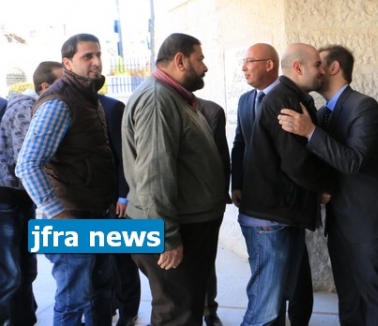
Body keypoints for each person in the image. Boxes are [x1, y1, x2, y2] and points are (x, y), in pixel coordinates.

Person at [278, 45, 378, 326]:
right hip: (340, 221)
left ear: (334, 68)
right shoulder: (321, 112)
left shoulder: (364, 106)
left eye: (318, 63)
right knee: (349, 299)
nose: (314, 69)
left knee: (376, 297)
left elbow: (354, 161)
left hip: (372, 220)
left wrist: (310, 132)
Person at [122, 33, 226, 325]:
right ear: (180, 60)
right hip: (174, 228)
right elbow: (154, 174)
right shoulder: (158, 100)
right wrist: (167, 237)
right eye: (200, 59)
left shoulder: (172, 97)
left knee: (181, 308)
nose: (205, 67)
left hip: (186, 225)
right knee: (177, 314)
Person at [16, 34, 116, 326]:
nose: (96, 62)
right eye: (87, 56)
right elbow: (27, 164)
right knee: (73, 301)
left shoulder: (87, 96)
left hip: (95, 213)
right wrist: (58, 214)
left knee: (100, 292)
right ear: (68, 63)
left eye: (98, 55)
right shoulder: (60, 101)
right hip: (72, 218)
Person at [239, 43, 333, 326]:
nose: (322, 70)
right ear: (298, 67)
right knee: (264, 310)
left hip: (279, 216)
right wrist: (325, 186)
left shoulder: (292, 97)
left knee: (275, 304)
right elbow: (296, 162)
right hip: (270, 220)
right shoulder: (284, 100)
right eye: (317, 64)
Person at [0, 61, 63, 326]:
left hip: (20, 200)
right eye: (62, 83)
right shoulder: (25, 109)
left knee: (25, 270)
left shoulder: (37, 107)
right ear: (45, 86)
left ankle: (24, 318)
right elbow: (26, 162)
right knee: (11, 275)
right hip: (8, 200)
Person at [98, 94, 141, 326]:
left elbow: (125, 156)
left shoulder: (112, 108)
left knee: (123, 261)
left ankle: (128, 312)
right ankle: (110, 305)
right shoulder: (69, 105)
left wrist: (123, 195)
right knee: (103, 262)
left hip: (116, 202)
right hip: (91, 203)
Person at [196, 96, 231, 326]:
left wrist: (218, 200)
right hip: (167, 201)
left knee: (205, 260)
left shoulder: (210, 111)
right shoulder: (153, 106)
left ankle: (208, 310)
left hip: (204, 203)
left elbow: (221, 160)